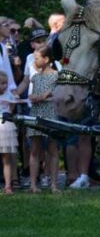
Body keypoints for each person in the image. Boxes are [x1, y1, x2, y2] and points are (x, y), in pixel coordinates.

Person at [21, 46, 60, 194]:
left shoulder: (56, 75)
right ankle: (33, 185)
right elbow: (35, 94)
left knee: (52, 149)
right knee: (34, 150)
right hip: (36, 112)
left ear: (46, 59)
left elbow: (52, 94)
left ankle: (54, 184)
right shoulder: (35, 77)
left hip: (50, 112)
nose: (34, 61)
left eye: (37, 58)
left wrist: (41, 97)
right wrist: (33, 97)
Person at [0, 70, 21, 194]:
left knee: (6, 159)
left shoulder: (9, 95)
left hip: (5, 127)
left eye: (5, 83)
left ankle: (8, 185)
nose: (4, 86)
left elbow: (11, 109)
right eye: (1, 83)